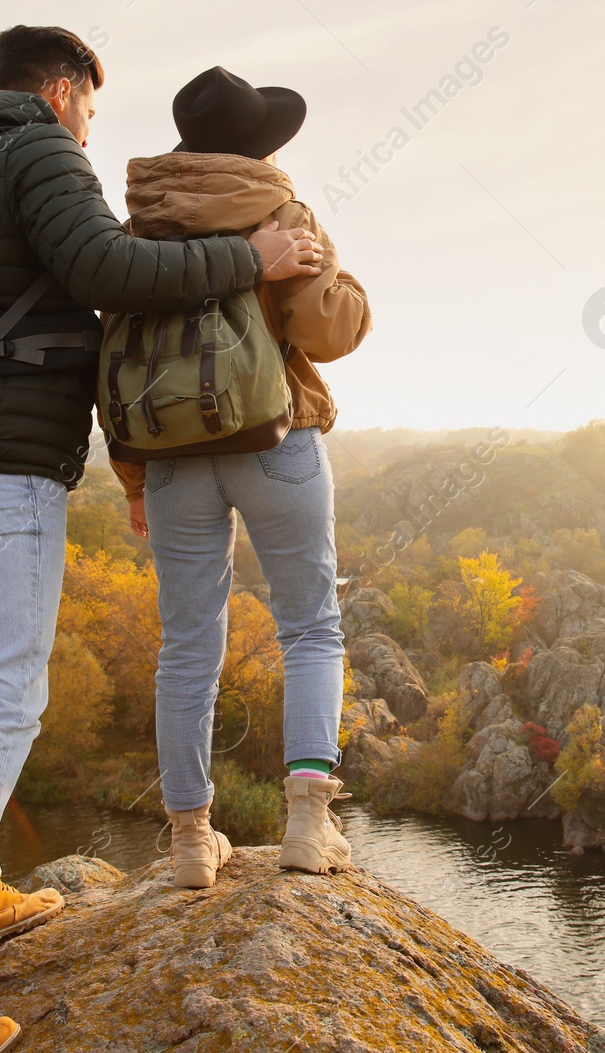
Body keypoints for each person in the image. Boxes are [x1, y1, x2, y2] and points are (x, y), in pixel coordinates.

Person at [0, 29, 323, 1053]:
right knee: (2, 699)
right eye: (92, 110)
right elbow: (105, 266)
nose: (91, 128)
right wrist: (254, 255)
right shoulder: (37, 145)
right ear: (61, 89)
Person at [109, 67, 370, 890]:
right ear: (258, 144)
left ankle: (191, 839)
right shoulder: (275, 210)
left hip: (170, 458)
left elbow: (114, 358)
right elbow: (328, 331)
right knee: (311, 628)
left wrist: (129, 478)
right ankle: (306, 823)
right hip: (273, 440)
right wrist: (345, 283)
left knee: (187, 647)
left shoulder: (136, 224)